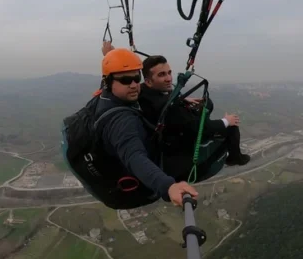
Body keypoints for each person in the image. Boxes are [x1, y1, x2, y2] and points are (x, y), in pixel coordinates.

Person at [101, 41, 251, 167]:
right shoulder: (169, 107)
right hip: (177, 144)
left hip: (170, 130)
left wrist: (109, 56)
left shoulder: (142, 90)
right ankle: (235, 157)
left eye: (169, 73)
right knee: (228, 124)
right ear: (148, 80)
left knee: (202, 106)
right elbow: (201, 129)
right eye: (161, 75)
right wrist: (226, 121)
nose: (168, 78)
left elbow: (118, 82)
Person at [94, 47, 199, 207]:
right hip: (138, 185)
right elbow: (134, 156)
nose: (134, 85)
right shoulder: (121, 121)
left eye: (137, 77)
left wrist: (110, 54)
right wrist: (168, 186)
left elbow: (119, 76)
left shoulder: (108, 94)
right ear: (109, 83)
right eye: (126, 80)